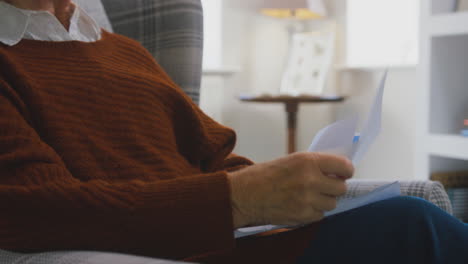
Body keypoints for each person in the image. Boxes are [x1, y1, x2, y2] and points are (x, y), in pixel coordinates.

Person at [0, 1, 466, 263]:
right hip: (162, 251)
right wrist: (238, 199)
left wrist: (294, 185)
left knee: (407, 213)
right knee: (411, 228)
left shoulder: (126, 52)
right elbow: (38, 207)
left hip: (237, 241)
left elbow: (218, 158)